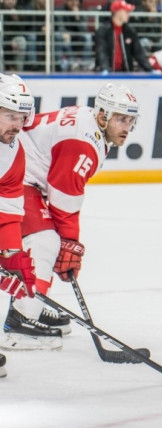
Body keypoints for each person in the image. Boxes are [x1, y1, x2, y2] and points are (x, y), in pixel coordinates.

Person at [4, 83, 140, 351]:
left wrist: (68, 242)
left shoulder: (89, 122)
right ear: (103, 115)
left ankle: (33, 301)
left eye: (130, 120)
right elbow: (64, 197)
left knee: (49, 240)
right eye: (120, 119)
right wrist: (70, 243)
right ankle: (21, 320)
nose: (126, 127)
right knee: (45, 241)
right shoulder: (84, 142)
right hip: (18, 177)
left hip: (25, 173)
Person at [0, 74, 38, 359]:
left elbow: (8, 209)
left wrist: (12, 256)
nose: (18, 125)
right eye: (11, 115)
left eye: (22, 117)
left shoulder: (14, 152)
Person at [94, 0, 155, 73]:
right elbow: (101, 52)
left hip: (126, 73)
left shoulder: (130, 31)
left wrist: (149, 69)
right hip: (108, 73)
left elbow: (138, 52)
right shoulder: (103, 31)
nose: (129, 14)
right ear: (118, 12)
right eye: (126, 12)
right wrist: (105, 69)